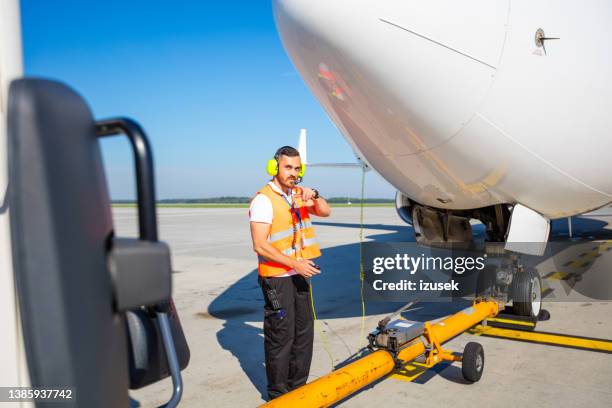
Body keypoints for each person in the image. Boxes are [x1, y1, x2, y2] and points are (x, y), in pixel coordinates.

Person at [249, 145, 331, 400]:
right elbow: (260, 244)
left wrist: (314, 194)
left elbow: (326, 211)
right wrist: (295, 264)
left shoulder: (297, 195)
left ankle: (298, 388)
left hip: (299, 275)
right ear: (275, 167)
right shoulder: (264, 200)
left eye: (297, 168)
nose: (292, 173)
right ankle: (278, 395)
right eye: (287, 167)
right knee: (280, 336)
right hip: (276, 279)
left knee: (304, 333)